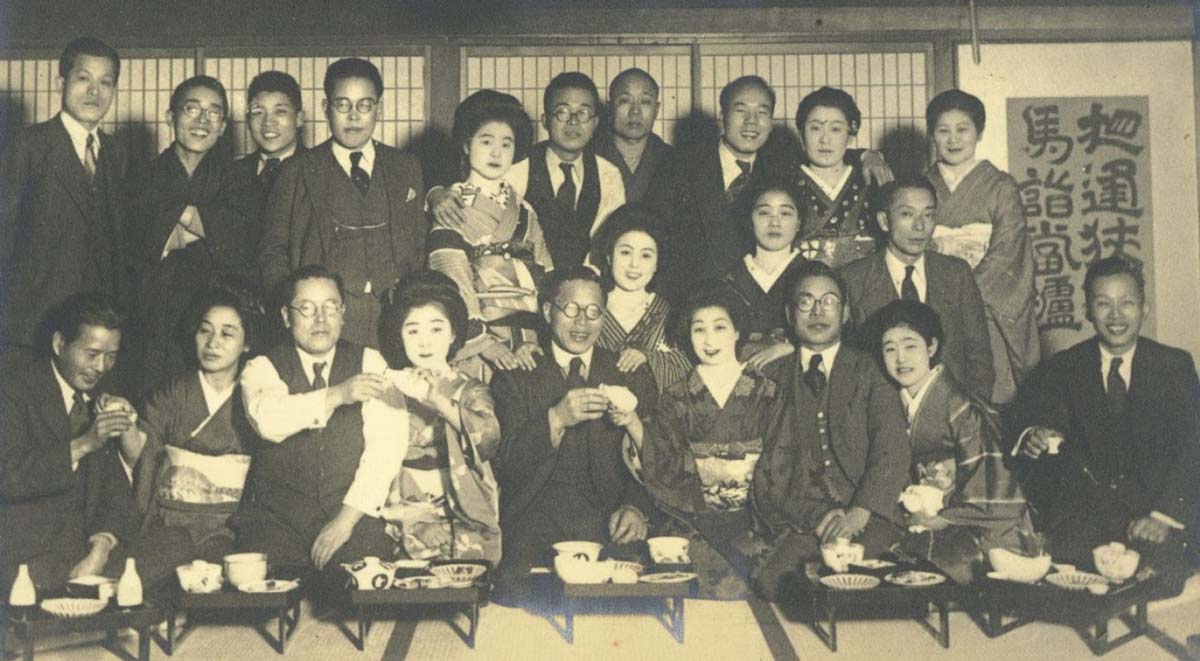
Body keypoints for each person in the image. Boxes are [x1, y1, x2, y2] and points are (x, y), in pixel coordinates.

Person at [1009, 256, 1199, 595]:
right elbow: (1032, 420)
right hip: (1091, 514)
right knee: (1068, 578)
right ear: (1087, 312)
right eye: (1103, 304)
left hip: (1154, 510)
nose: (1115, 316)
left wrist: (1163, 517)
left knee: (1160, 576)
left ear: (1144, 309)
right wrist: (1032, 436)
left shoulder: (1174, 366)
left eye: (1126, 303)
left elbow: (1193, 450)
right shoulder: (1066, 366)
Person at [490, 266, 657, 604]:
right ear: (549, 311)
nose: (582, 322)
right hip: (535, 514)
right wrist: (556, 418)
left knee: (637, 587)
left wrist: (634, 507)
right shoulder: (517, 375)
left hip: (606, 514)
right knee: (516, 589)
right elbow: (505, 465)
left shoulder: (628, 372)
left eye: (594, 311)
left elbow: (653, 456)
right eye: (571, 309)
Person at [751, 261, 910, 601]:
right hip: (803, 518)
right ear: (790, 314)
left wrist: (859, 512)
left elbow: (891, 448)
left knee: (870, 577)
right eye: (806, 302)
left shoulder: (870, 370)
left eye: (830, 301)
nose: (818, 311)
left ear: (846, 312)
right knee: (773, 582)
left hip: (866, 515)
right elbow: (766, 468)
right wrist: (814, 516)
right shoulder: (773, 375)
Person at [235, 265, 407, 575]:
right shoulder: (261, 367)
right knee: (267, 589)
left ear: (343, 313)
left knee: (359, 584)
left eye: (330, 307)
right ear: (287, 317)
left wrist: (345, 521)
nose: (321, 319)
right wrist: (339, 394)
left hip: (347, 512)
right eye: (307, 308)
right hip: (277, 519)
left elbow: (387, 450)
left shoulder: (370, 361)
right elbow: (268, 420)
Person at [258, 57, 426, 349]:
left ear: (379, 109)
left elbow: (421, 243)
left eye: (365, 105)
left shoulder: (405, 166)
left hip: (395, 320)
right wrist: (294, 311)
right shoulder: (298, 169)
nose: (353, 117)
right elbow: (273, 250)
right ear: (326, 109)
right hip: (323, 324)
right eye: (342, 105)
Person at [0, 293, 159, 593]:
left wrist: (101, 547)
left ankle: (83, 591)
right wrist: (83, 444)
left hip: (84, 552)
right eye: (92, 353)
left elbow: (115, 494)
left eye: (111, 356)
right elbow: (7, 475)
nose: (100, 367)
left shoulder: (98, 400)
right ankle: (89, 594)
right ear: (60, 344)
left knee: (177, 541)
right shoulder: (14, 392)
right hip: (27, 550)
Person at [630, 286, 779, 598]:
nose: (710, 341)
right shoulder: (675, 395)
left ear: (737, 331)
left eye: (720, 328)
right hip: (693, 518)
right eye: (699, 330)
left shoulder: (766, 391)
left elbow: (782, 461)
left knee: (772, 575)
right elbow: (664, 462)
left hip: (754, 517)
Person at [876, 300, 1030, 584]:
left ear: (932, 347)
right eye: (889, 348)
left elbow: (989, 477)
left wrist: (941, 516)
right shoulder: (891, 400)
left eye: (910, 346)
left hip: (970, 516)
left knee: (931, 568)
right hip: (921, 507)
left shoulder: (959, 404)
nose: (900, 358)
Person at [125, 75, 257, 398]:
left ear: (224, 126)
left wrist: (175, 217)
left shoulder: (239, 180)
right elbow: (134, 247)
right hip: (151, 321)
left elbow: (238, 247)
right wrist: (199, 222)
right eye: (191, 109)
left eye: (214, 112)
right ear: (171, 117)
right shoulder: (141, 175)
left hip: (212, 327)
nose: (202, 121)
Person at [0, 37, 130, 352]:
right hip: (35, 321)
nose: (94, 91)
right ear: (61, 83)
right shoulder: (29, 145)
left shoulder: (117, 152)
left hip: (97, 326)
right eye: (83, 78)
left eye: (105, 82)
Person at [430, 73, 626, 270]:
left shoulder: (609, 174)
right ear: (545, 121)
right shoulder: (514, 165)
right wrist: (435, 193)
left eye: (583, 112)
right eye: (562, 112)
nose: (573, 121)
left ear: (595, 123)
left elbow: (610, 241)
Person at [131, 282, 265, 564]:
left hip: (230, 528)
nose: (213, 342)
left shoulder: (260, 398)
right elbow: (146, 466)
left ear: (247, 344)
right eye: (205, 330)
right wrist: (140, 527)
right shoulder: (169, 395)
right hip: (169, 524)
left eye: (227, 334)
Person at [376, 273, 501, 564]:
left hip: (464, 505)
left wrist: (439, 401)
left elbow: (489, 439)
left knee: (465, 567)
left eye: (436, 329)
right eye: (413, 330)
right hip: (402, 507)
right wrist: (416, 521)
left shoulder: (470, 388)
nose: (425, 342)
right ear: (399, 335)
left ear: (454, 333)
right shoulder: (388, 386)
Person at [925, 89, 1040, 404]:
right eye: (943, 130)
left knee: (993, 398)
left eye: (963, 129)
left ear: (979, 133)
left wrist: (963, 296)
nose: (953, 139)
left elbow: (1008, 252)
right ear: (931, 135)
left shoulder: (1001, 186)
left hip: (987, 310)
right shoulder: (921, 186)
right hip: (933, 306)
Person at [427, 99, 552, 379]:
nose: (497, 152)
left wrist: (532, 341)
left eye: (506, 144)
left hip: (527, 339)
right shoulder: (451, 204)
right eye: (486, 141)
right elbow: (451, 277)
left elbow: (544, 274)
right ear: (466, 145)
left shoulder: (524, 210)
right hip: (476, 340)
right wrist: (484, 342)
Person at [840, 177, 994, 400]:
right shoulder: (853, 279)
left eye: (928, 215)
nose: (919, 226)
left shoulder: (956, 273)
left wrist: (968, 414)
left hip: (951, 412)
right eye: (907, 214)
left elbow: (979, 356)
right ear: (884, 221)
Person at [645, 75, 778, 298]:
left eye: (762, 113)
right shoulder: (680, 166)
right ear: (722, 116)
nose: (751, 122)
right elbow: (654, 236)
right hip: (686, 301)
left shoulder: (777, 176)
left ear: (771, 121)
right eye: (741, 110)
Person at [593, 205, 691, 393]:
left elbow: (689, 366)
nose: (634, 264)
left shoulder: (670, 313)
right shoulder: (591, 308)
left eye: (646, 255)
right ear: (608, 256)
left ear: (657, 262)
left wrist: (650, 358)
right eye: (625, 252)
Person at [793, 86, 883, 269]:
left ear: (851, 134)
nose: (825, 139)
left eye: (835, 129)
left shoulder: (871, 180)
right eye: (815, 128)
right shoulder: (786, 185)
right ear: (801, 133)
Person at [721, 181, 807, 372]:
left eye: (785, 213)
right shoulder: (729, 277)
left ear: (799, 222)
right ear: (749, 220)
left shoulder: (812, 275)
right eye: (764, 213)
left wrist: (791, 347)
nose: (774, 222)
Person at [233, 71, 306, 245]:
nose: (268, 122)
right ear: (247, 119)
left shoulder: (318, 169)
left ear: (299, 119)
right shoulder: (232, 173)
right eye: (258, 112)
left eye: (280, 111)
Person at [593, 67, 674, 204]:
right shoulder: (589, 155)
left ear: (656, 110)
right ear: (610, 107)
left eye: (645, 102)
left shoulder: (674, 161)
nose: (635, 111)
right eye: (624, 101)